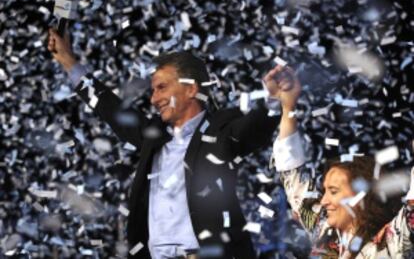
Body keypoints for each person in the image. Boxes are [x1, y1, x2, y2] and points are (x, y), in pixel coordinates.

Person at [47, 28, 296, 259]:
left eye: (162, 88)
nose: (154, 99)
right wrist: (69, 62)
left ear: (190, 90)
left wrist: (273, 101)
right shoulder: (152, 137)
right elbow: (110, 108)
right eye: (153, 90)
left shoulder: (221, 130)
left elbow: (253, 129)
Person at [271, 78, 414, 258]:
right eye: (325, 191)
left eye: (333, 191)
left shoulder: (389, 244)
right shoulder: (322, 229)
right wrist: (288, 106)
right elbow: (291, 173)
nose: (323, 201)